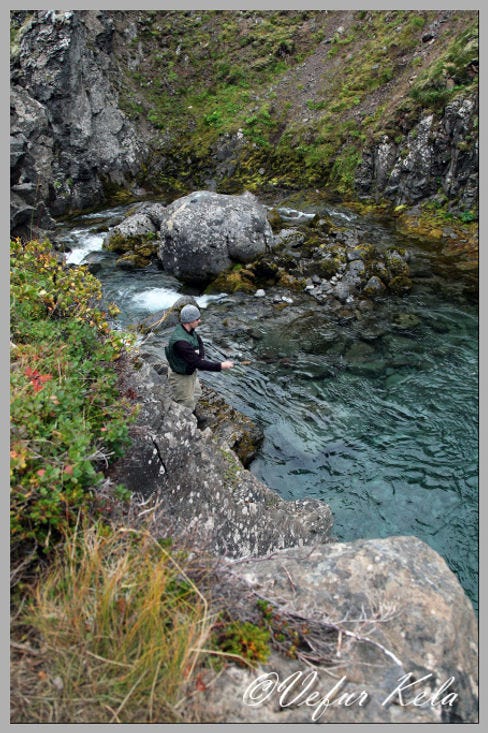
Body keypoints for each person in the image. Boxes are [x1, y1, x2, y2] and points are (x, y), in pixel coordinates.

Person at [165, 304, 234, 411]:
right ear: (190, 321)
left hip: (189, 370)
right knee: (186, 403)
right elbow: (198, 363)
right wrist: (221, 366)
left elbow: (199, 342)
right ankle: (182, 417)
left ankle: (188, 412)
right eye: (197, 319)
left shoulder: (188, 330)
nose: (200, 321)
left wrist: (201, 356)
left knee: (197, 392)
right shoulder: (181, 342)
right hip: (180, 376)